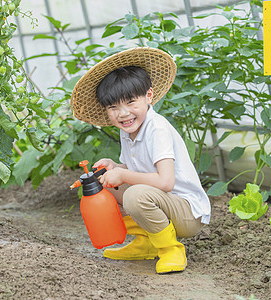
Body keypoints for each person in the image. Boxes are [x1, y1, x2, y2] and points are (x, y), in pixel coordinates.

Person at [70, 47, 211, 274]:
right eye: (113, 107)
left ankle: (171, 249)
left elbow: (165, 182)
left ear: (149, 96)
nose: (123, 114)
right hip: (162, 203)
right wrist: (115, 168)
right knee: (103, 184)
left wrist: (124, 175)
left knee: (134, 195)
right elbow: (138, 169)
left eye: (131, 103)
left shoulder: (157, 129)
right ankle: (145, 242)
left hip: (186, 213)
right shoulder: (128, 130)